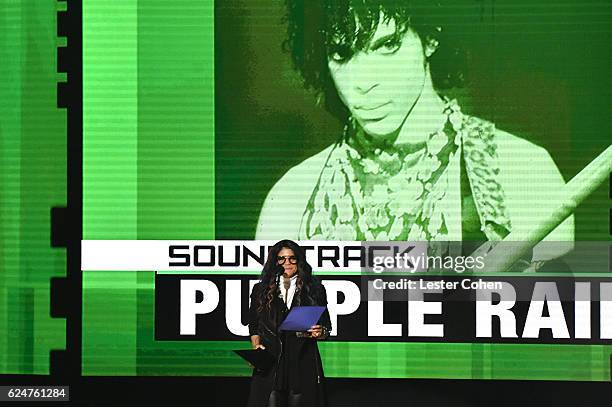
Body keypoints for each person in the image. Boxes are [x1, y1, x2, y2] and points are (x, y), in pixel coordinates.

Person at [256, 0, 573, 267]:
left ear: (431, 37)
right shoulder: (291, 198)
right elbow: (281, 335)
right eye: (341, 53)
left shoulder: (523, 172)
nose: (363, 81)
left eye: (388, 46)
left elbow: (554, 329)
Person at [247, 240, 332, 407]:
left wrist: (320, 332)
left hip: (301, 357)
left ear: (299, 260)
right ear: (275, 261)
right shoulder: (261, 290)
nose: (287, 263)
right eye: (282, 259)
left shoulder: (314, 289)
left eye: (292, 258)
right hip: (271, 356)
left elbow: (326, 326)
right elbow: (254, 324)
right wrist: (256, 347)